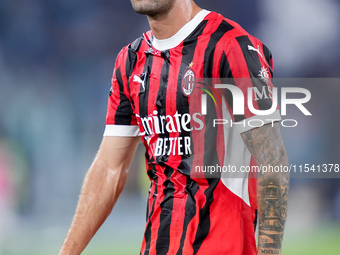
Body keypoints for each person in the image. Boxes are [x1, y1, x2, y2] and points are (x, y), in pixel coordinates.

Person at [59, 0, 289, 254]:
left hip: (223, 245)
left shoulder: (230, 46)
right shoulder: (130, 61)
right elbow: (108, 169)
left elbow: (273, 162)